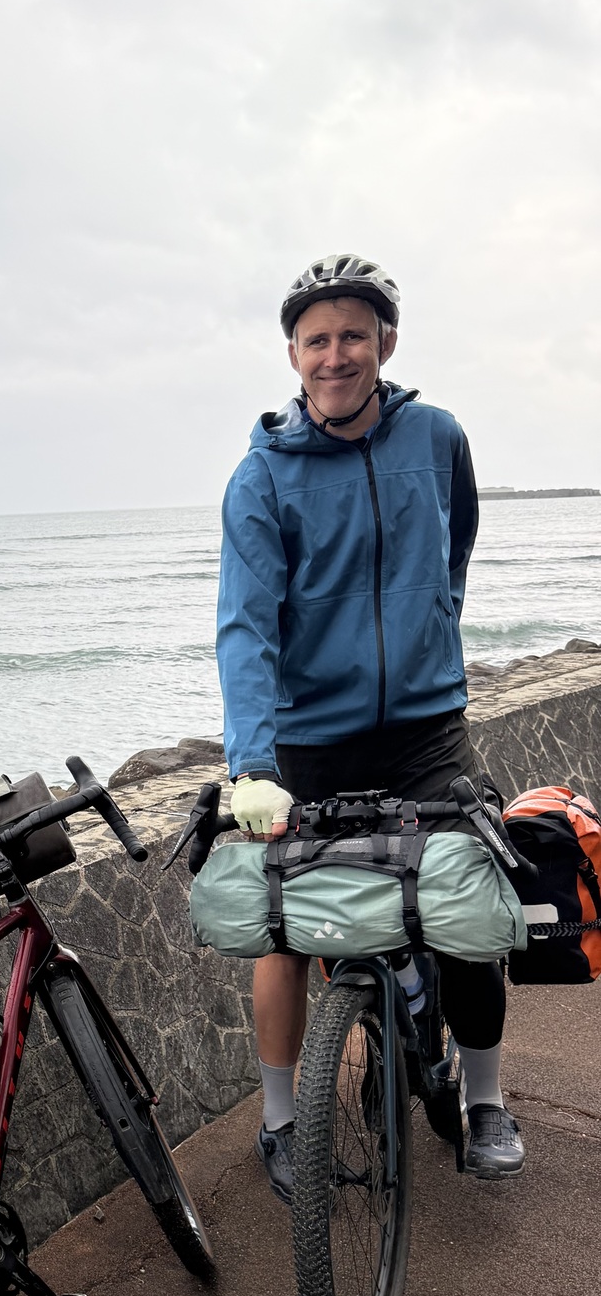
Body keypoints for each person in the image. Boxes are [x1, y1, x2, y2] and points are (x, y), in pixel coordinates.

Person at [216, 252, 524, 1199]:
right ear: (293, 355)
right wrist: (252, 764)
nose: (335, 355)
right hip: (309, 742)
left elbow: (455, 545)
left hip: (426, 728)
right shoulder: (262, 478)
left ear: (385, 343)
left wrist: (433, 632)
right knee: (283, 929)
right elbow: (246, 628)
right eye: (317, 340)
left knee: (467, 911)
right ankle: (282, 1121)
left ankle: (485, 1100)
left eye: (354, 335)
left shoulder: (437, 436)